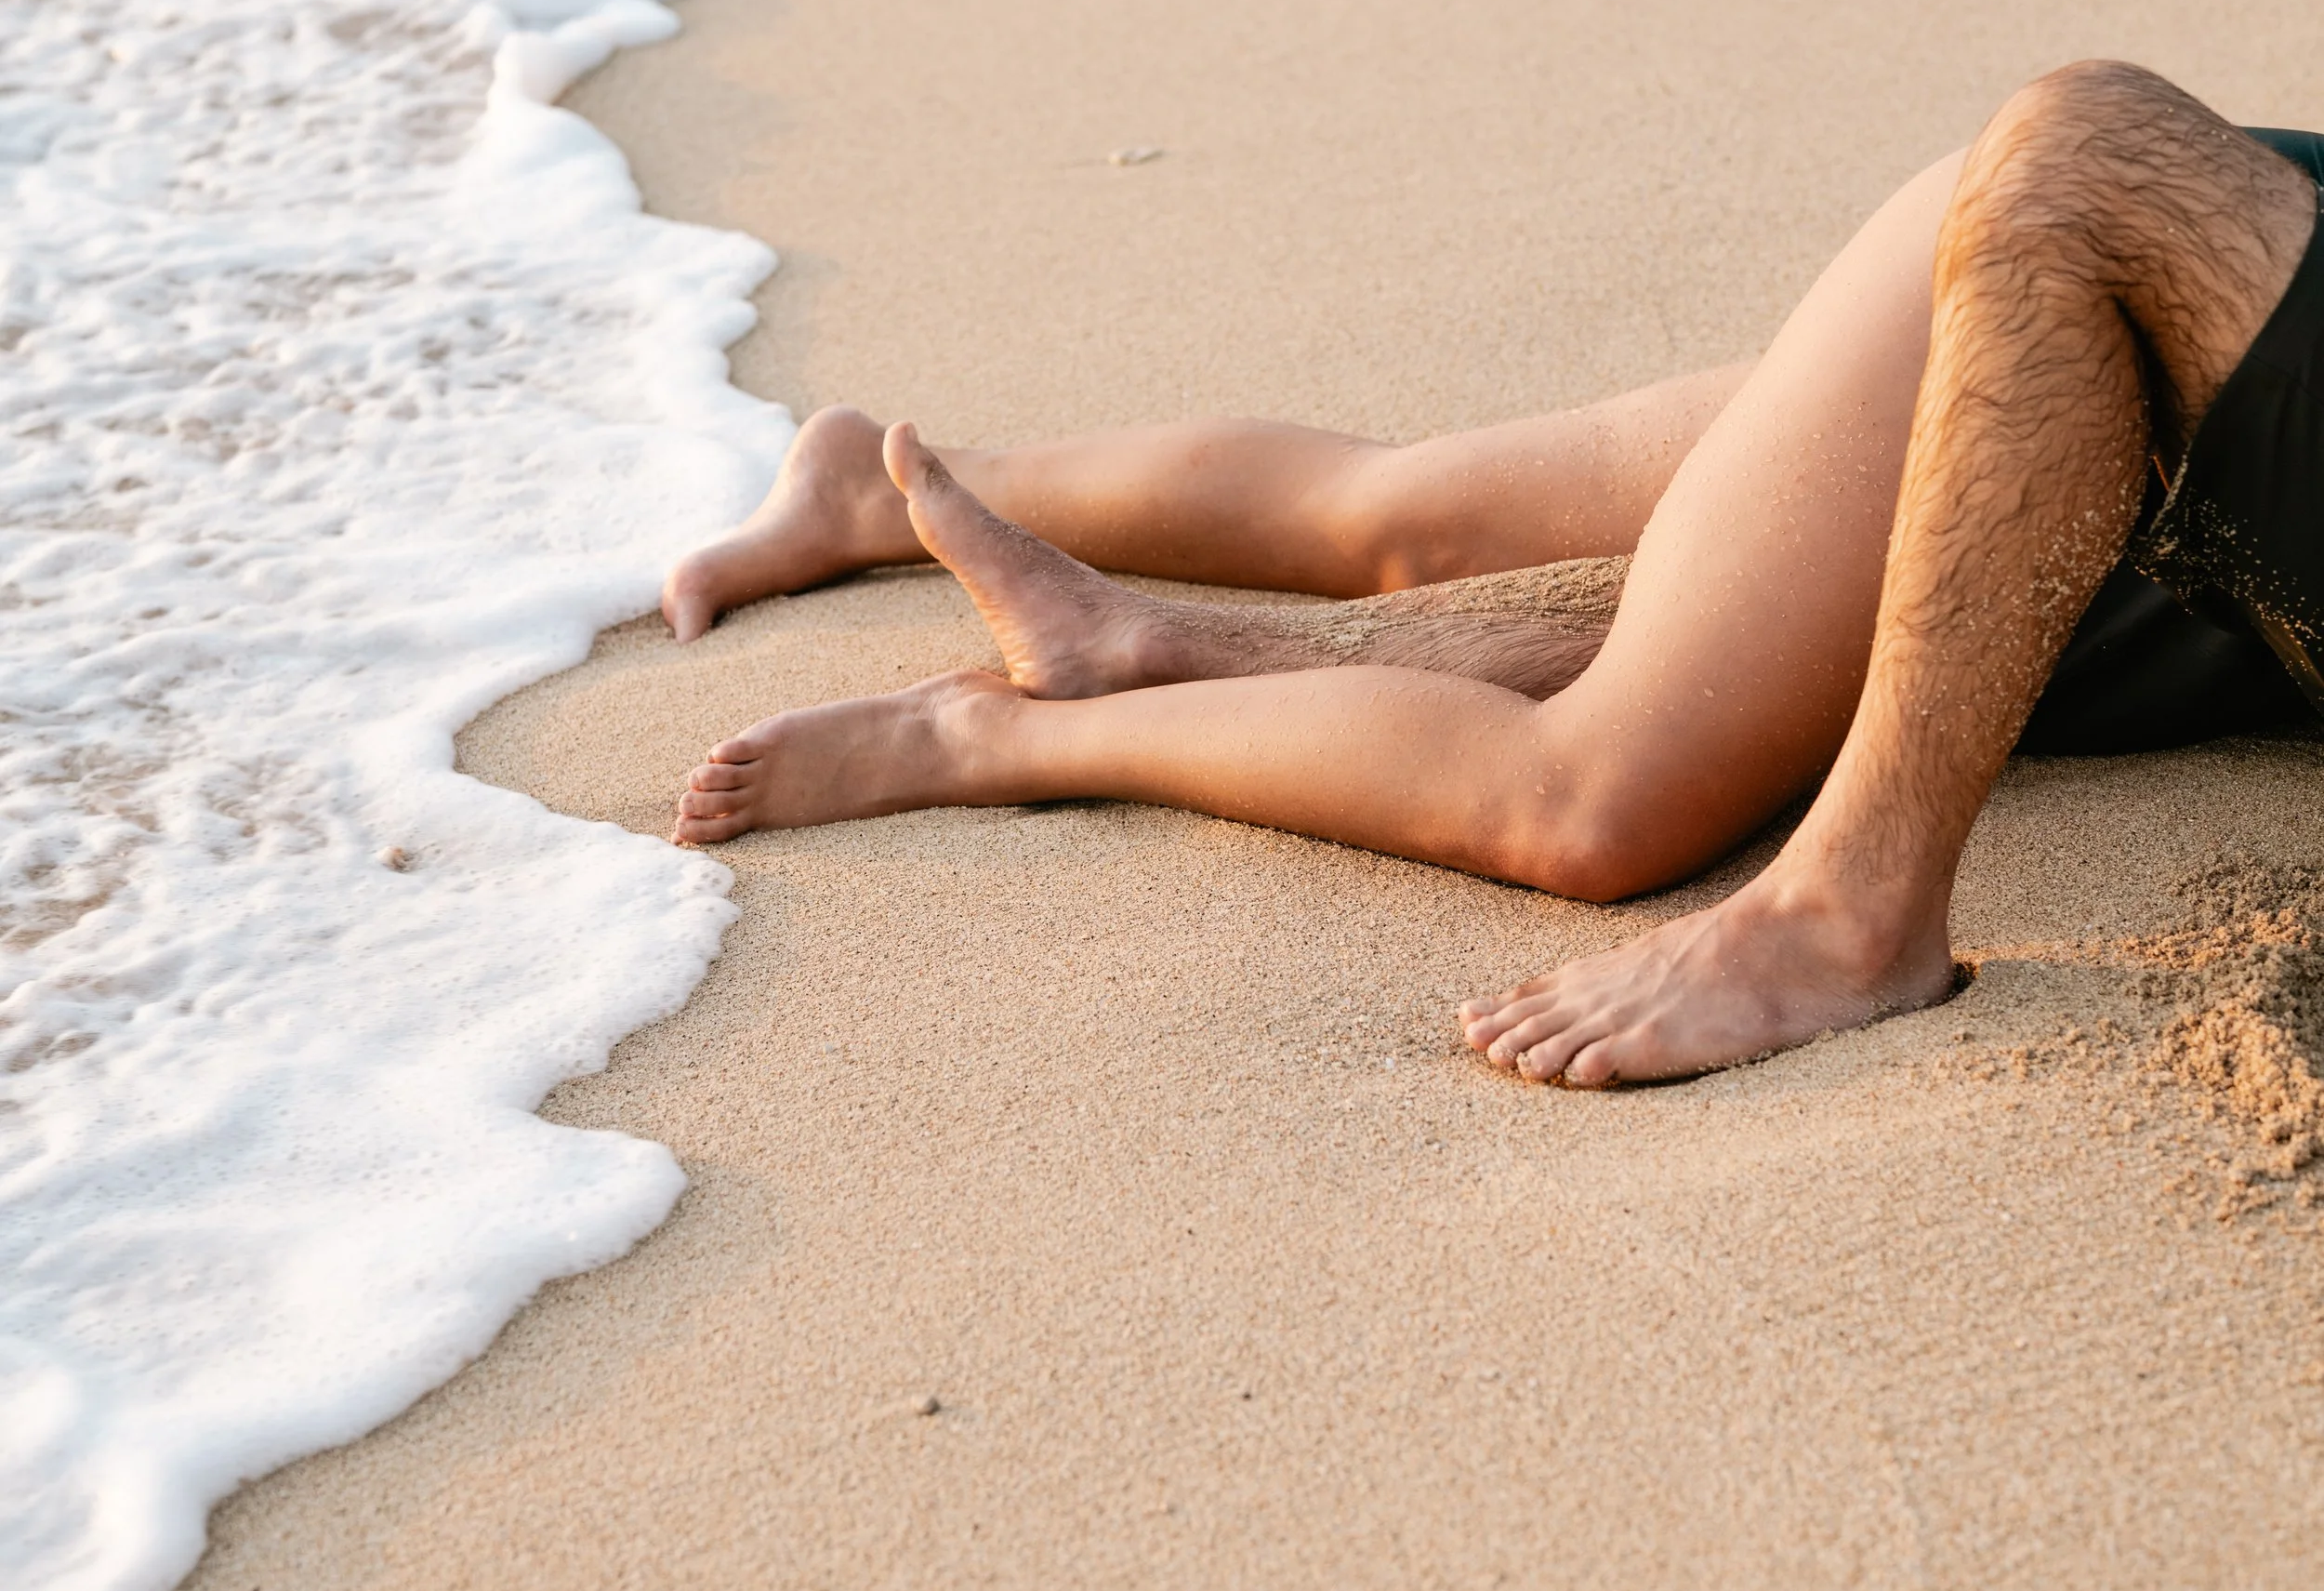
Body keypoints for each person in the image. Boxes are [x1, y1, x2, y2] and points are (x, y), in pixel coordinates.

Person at [663, 64, 2324, 1086]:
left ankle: (1075, 670)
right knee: (1567, 746)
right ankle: (902, 523)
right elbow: (2074, 154)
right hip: (2143, 265)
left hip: (2222, 409)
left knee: (1571, 619)